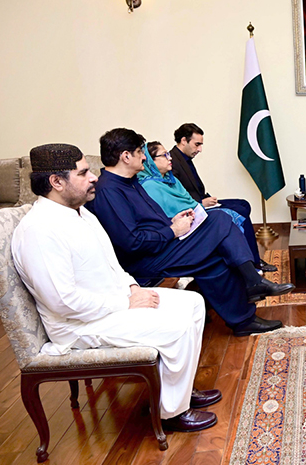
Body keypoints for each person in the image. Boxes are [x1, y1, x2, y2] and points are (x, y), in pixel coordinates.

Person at [12, 143, 220, 432]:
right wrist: (126, 303)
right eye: (83, 173)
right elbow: (63, 301)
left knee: (193, 303)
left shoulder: (82, 214)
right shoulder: (39, 230)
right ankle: (171, 412)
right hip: (79, 325)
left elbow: (113, 266)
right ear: (56, 182)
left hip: (113, 304)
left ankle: (179, 390)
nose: (94, 177)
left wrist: (133, 288)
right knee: (176, 326)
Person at [88, 128, 295, 337]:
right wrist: (172, 230)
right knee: (219, 219)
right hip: (146, 260)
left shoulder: (130, 182)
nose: (144, 157)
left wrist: (173, 221)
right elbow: (132, 242)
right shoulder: (109, 191)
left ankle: (244, 320)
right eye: (140, 152)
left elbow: (146, 221)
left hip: (161, 245)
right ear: (126, 156)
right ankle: (254, 281)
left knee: (216, 259)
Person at [139, 141, 272, 274]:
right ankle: (247, 265)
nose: (170, 158)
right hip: (186, 223)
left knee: (239, 208)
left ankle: (247, 263)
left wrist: (200, 206)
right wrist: (200, 206)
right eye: (164, 155)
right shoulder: (150, 186)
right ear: (151, 161)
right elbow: (170, 213)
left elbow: (188, 200)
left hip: (196, 210)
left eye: (168, 154)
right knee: (228, 215)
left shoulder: (169, 179)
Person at [169, 123, 275, 272]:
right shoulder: (172, 162)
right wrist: (201, 202)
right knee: (240, 211)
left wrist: (207, 199)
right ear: (184, 140)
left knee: (244, 204)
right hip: (195, 208)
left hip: (203, 201)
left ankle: (250, 256)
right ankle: (253, 262)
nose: (200, 149)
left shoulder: (184, 159)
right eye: (197, 144)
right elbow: (176, 197)